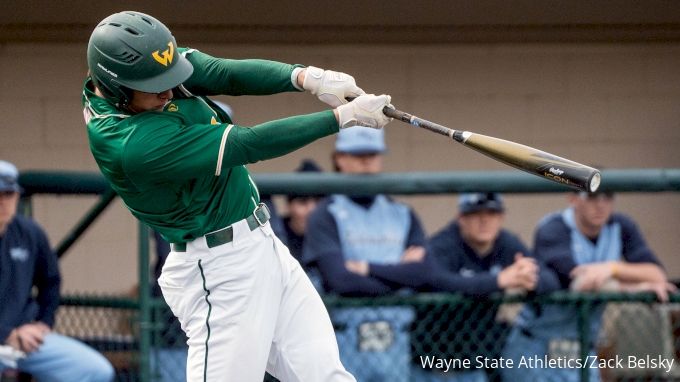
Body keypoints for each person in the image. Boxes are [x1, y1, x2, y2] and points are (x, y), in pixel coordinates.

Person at [83, 11, 392, 382]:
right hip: (217, 269)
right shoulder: (132, 144)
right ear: (117, 88)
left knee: (326, 375)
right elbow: (249, 143)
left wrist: (306, 77)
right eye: (155, 85)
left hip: (261, 244)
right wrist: (341, 118)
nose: (168, 91)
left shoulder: (138, 73)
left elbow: (223, 73)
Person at [302, 126, 433, 382]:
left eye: (372, 153)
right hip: (345, 334)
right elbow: (339, 280)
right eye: (357, 153)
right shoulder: (325, 213)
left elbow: (425, 272)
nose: (366, 160)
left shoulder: (401, 212)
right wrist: (399, 275)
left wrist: (366, 268)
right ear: (339, 158)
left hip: (396, 335)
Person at [501, 190, 675, 382]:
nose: (600, 205)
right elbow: (581, 282)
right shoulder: (553, 228)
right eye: (591, 198)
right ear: (572, 199)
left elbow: (657, 275)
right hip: (536, 345)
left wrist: (612, 267)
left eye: (607, 197)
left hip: (582, 348)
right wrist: (633, 288)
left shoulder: (620, 225)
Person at [412, 193, 560, 382]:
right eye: (476, 214)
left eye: (491, 213)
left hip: (479, 367)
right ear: (461, 218)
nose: (484, 221)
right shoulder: (443, 244)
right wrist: (498, 281)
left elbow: (549, 278)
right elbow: (436, 281)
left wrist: (529, 279)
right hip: (432, 365)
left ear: (501, 218)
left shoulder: (506, 243)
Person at [0, 160, 115, 382]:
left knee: (96, 371)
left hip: (25, 339)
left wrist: (45, 321)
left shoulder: (29, 232)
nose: (3, 202)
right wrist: (7, 335)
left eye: (9, 195)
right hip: (12, 337)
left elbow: (50, 280)